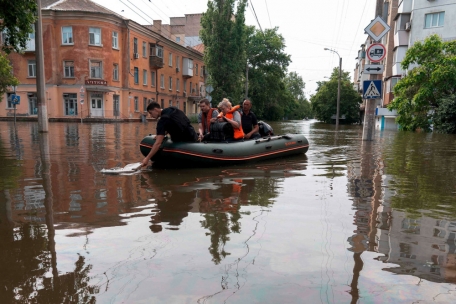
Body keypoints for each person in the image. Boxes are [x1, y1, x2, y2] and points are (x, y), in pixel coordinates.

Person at [141, 102, 198, 167]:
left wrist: (147, 158)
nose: (151, 116)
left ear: (156, 110)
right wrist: (163, 133)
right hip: (193, 135)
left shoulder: (162, 121)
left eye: (151, 113)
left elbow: (158, 143)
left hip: (183, 141)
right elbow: (176, 124)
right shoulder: (173, 109)